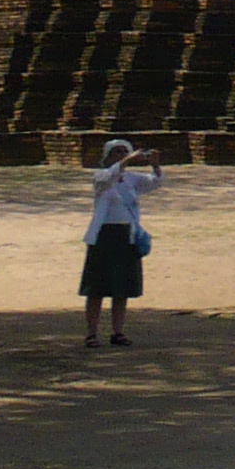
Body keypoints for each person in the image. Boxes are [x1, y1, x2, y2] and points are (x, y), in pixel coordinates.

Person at [79, 138, 162, 348]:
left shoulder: (131, 179)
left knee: (121, 288)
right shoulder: (101, 176)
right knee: (96, 289)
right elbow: (109, 177)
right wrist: (126, 161)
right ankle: (91, 333)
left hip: (127, 235)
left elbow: (154, 182)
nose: (120, 155)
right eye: (116, 152)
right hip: (103, 236)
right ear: (107, 156)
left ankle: (118, 331)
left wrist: (155, 164)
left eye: (124, 152)